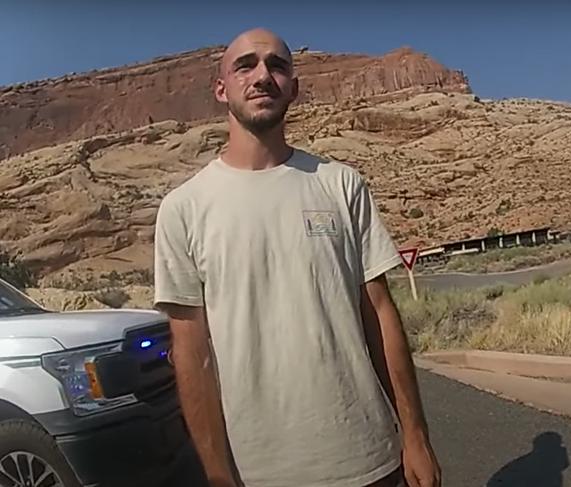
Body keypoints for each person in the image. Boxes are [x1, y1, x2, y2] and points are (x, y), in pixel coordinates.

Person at [153, 27, 442, 487]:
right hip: (257, 473)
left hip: (370, 461)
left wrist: (416, 436)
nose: (263, 75)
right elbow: (191, 354)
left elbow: (381, 316)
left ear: (294, 86)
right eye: (245, 65)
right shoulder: (183, 209)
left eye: (278, 65)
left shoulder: (340, 184)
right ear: (221, 89)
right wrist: (217, 475)